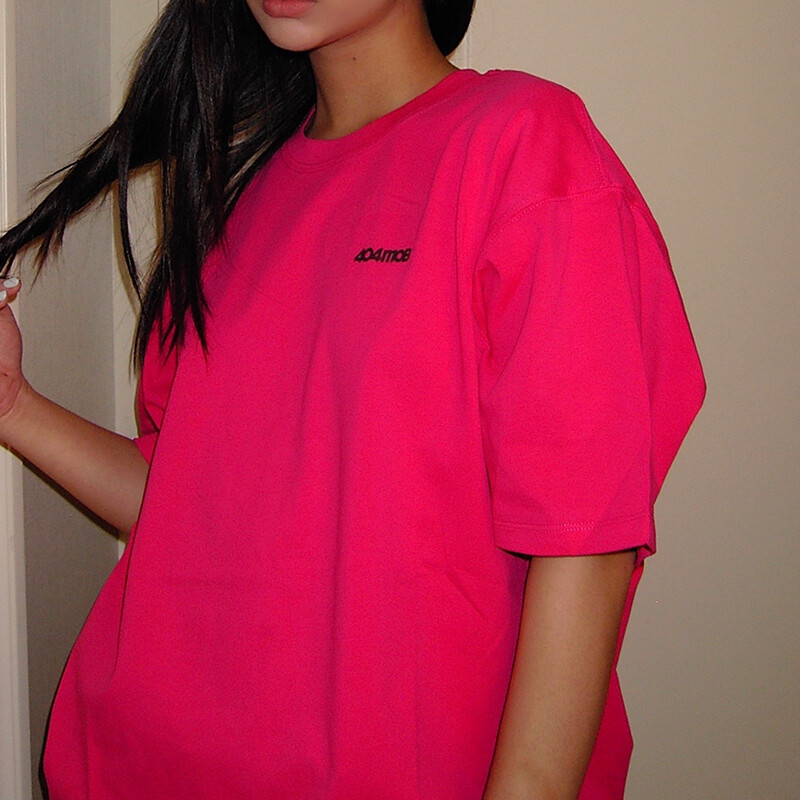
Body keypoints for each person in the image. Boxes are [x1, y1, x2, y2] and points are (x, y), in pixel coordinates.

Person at [0, 0, 705, 798]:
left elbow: (584, 536)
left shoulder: (520, 143)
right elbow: (183, 505)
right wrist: (16, 406)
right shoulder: (236, 196)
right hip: (135, 766)